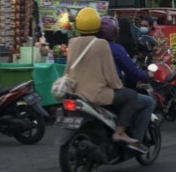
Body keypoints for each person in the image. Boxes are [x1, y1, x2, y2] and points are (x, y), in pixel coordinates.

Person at [66, 8, 144, 146]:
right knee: (131, 95)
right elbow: (111, 76)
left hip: (75, 92)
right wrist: (118, 87)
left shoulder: (72, 42)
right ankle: (119, 132)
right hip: (95, 94)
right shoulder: (101, 44)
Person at [100, 16, 155, 148]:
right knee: (147, 102)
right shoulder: (115, 49)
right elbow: (132, 71)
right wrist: (146, 75)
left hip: (83, 91)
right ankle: (135, 140)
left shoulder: (84, 46)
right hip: (107, 91)